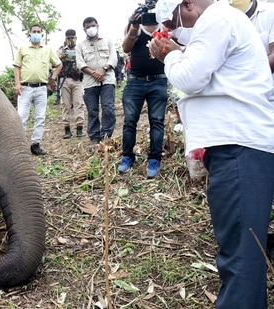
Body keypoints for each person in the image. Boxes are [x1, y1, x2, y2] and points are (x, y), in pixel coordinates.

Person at [150, 0, 274, 308]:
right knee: (246, 248)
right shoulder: (225, 20)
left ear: (187, 4)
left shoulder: (217, 17)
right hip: (239, 146)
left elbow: (190, 77)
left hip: (238, 148)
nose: (172, 28)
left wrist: (169, 54)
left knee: (241, 254)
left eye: (171, 20)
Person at [117, 10, 169, 178]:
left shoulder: (166, 25)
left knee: (157, 121)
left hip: (159, 81)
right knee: (130, 121)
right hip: (135, 81)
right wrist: (133, 25)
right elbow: (126, 48)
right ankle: (127, 157)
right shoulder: (135, 27)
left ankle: (154, 159)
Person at [14, 24, 62, 156]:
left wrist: (53, 78)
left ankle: (36, 145)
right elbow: (17, 66)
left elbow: (58, 64)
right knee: (22, 117)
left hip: (41, 88)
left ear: (42, 34)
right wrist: (17, 83)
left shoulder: (47, 50)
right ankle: (21, 146)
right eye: (33, 31)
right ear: (30, 34)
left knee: (40, 117)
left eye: (38, 32)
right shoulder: (23, 49)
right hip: (25, 88)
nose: (36, 33)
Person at [75, 17, 118, 149]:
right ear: (84, 29)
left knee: (108, 108)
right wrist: (94, 73)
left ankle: (106, 136)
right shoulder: (80, 45)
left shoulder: (108, 41)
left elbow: (113, 59)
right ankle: (94, 138)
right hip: (89, 83)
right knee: (92, 110)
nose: (91, 29)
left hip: (107, 80)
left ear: (97, 26)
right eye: (88, 27)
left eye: (92, 26)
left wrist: (103, 69)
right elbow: (80, 63)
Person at [56, 29, 85, 139]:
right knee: (66, 105)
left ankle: (79, 128)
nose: (71, 39)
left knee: (79, 104)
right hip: (65, 80)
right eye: (68, 38)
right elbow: (53, 64)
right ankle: (67, 129)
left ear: (76, 37)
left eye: (72, 37)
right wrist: (60, 58)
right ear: (65, 38)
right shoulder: (60, 50)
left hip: (78, 80)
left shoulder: (80, 49)